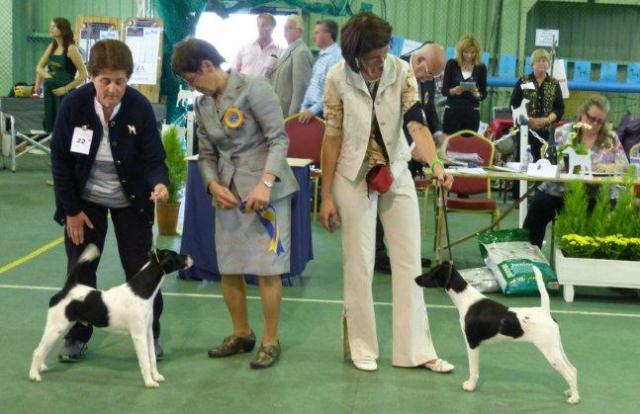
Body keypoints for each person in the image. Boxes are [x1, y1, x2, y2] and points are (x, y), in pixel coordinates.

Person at [320, 12, 454, 372]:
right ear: (355, 54)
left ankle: (416, 351)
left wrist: (436, 164)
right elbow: (331, 137)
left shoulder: (402, 70)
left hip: (395, 169)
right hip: (351, 175)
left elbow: (415, 123)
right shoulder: (337, 77)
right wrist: (326, 196)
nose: (381, 61)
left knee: (410, 259)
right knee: (359, 264)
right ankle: (362, 346)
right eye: (373, 56)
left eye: (384, 52)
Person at [171, 38, 299, 369]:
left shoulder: (254, 88)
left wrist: (264, 184)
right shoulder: (202, 106)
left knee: (268, 270)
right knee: (229, 267)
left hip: (265, 193)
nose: (192, 86)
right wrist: (212, 184)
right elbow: (208, 153)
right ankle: (241, 333)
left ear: (207, 66)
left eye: (192, 78)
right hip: (228, 196)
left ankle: (271, 340)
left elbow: (278, 139)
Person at [51, 39, 169, 362]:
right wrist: (72, 211)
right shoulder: (73, 107)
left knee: (142, 270)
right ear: (92, 76)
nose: (113, 88)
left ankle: (149, 333)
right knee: (80, 268)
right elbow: (60, 160)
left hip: (130, 200)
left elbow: (153, 158)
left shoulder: (139, 108)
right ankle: (77, 335)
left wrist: (159, 183)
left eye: (120, 81)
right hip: (84, 201)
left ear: (128, 79)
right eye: (105, 81)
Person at [375, 42, 447, 274]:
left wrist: (437, 133)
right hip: (385, 150)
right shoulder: (395, 70)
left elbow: (428, 110)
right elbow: (394, 114)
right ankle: (378, 255)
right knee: (381, 202)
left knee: (398, 205)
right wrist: (415, 144)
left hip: (407, 153)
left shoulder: (424, 76)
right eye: (429, 74)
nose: (429, 80)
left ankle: (402, 254)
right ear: (420, 62)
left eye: (434, 77)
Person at [523, 95, 628, 248]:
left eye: (600, 121)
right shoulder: (563, 132)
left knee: (600, 213)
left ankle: (585, 255)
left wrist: (611, 167)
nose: (594, 124)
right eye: (591, 118)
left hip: (596, 194)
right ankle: (530, 253)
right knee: (538, 206)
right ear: (582, 113)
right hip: (560, 191)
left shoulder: (610, 138)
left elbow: (624, 165)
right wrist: (563, 165)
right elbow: (552, 161)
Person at [510, 48, 564, 161]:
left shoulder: (554, 84)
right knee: (522, 163)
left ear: (548, 64)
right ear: (532, 64)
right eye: (538, 60)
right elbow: (513, 105)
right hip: (526, 131)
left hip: (546, 133)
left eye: (544, 60)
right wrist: (528, 120)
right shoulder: (523, 81)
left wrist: (547, 120)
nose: (541, 63)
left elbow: (559, 108)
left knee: (545, 164)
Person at [34, 17, 88, 132]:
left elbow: (83, 74)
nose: (51, 29)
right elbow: (39, 67)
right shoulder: (52, 46)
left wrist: (65, 89)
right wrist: (38, 84)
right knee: (50, 125)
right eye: (51, 26)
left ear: (62, 30)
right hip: (50, 91)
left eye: (54, 26)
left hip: (64, 92)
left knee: (63, 124)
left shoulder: (72, 49)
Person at [441, 34, 487, 135]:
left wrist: (476, 94)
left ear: (477, 52)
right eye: (466, 52)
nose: (469, 55)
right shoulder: (452, 64)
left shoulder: (481, 67)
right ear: (460, 52)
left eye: (472, 52)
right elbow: (444, 91)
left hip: (472, 112)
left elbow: (483, 94)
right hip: (452, 111)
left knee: (468, 145)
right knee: (451, 144)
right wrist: (454, 90)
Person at [298, 19, 342, 123]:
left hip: (324, 114)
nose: (313, 37)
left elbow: (334, 92)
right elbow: (312, 87)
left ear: (327, 34)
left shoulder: (337, 57)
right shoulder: (321, 56)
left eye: (317, 32)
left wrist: (312, 111)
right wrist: (303, 107)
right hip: (310, 112)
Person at [270, 15, 313, 117]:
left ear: (300, 32)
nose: (285, 31)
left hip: (288, 115)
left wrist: (292, 118)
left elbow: (301, 90)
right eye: (284, 28)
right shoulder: (287, 50)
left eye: (289, 28)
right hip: (278, 111)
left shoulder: (301, 52)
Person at [234, 13, 282, 78]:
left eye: (264, 25)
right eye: (258, 25)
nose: (260, 28)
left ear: (272, 27)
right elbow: (234, 73)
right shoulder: (244, 48)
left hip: (265, 87)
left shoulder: (280, 52)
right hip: (243, 87)